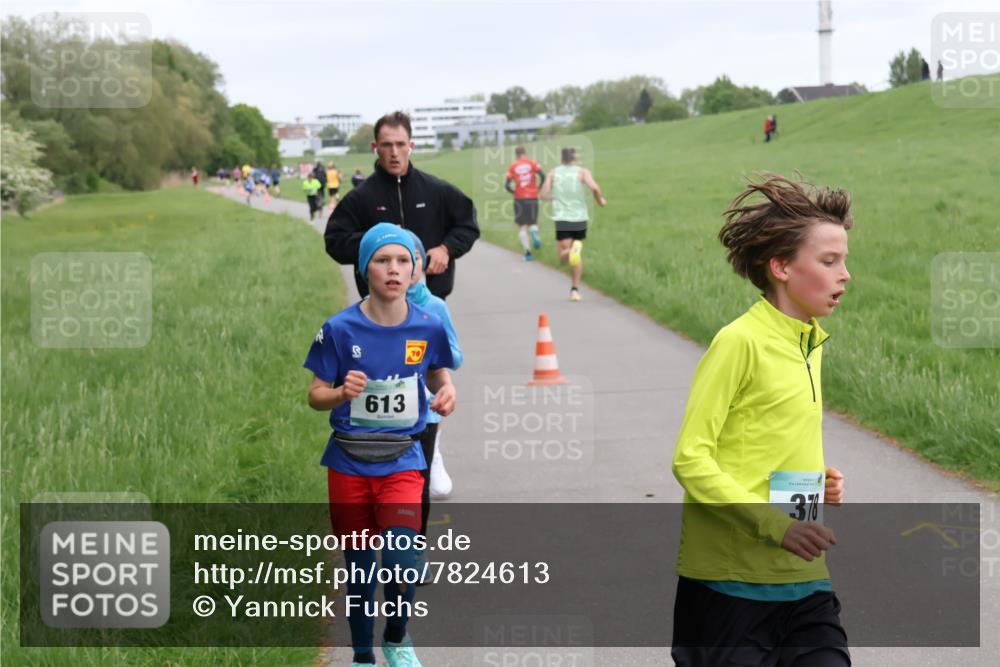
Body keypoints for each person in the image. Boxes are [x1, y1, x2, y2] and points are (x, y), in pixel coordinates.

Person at [670, 174, 852, 667]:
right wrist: (776, 525)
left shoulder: (808, 343)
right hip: (732, 582)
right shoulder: (739, 342)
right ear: (781, 267)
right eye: (829, 261)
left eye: (844, 261)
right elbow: (690, 458)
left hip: (803, 577)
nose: (845, 275)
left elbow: (763, 440)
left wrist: (816, 481)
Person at [304, 223, 456, 667]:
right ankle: (363, 656)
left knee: (402, 559)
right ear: (364, 268)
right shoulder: (339, 329)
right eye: (382, 260)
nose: (393, 269)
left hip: (403, 459)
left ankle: (396, 635)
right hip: (349, 463)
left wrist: (447, 390)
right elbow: (315, 394)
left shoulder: (428, 325)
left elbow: (437, 372)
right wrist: (339, 393)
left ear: (414, 271)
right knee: (360, 568)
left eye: (403, 261)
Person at [324, 111, 480, 300]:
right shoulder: (359, 197)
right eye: (386, 145)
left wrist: (446, 249)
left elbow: (468, 224)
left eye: (400, 144)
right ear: (375, 147)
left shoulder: (437, 190)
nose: (394, 153)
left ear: (411, 146)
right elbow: (334, 241)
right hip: (378, 306)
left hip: (430, 301)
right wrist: (378, 240)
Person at [403, 231, 463, 532]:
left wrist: (429, 355)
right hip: (383, 418)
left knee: (419, 487)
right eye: (388, 260)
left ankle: (416, 548)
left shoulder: (435, 306)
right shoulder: (369, 308)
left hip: (425, 413)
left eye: (411, 259)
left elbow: (455, 356)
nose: (402, 268)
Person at [539, 147, 606, 302]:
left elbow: (543, 194)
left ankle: (570, 251)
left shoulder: (553, 173)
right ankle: (574, 290)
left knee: (563, 258)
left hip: (562, 218)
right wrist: (600, 201)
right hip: (580, 218)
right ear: (575, 158)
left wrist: (554, 197)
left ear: (561, 159)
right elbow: (595, 188)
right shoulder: (583, 172)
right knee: (576, 257)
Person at [505, 145, 545, 261]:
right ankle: (535, 234)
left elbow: (507, 185)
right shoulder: (532, 163)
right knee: (533, 222)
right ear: (525, 153)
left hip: (519, 199)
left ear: (516, 155)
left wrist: (514, 192)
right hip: (532, 197)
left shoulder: (513, 166)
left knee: (522, 226)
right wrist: (538, 188)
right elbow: (542, 175)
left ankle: (528, 254)